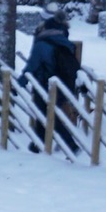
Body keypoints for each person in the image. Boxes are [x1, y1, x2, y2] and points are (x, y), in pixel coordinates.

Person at [22, 10, 80, 151]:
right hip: (63, 83)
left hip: (44, 83)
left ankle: (71, 146)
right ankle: (38, 145)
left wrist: (20, 83)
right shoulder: (65, 43)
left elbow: (32, 66)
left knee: (48, 114)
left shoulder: (41, 45)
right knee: (48, 112)